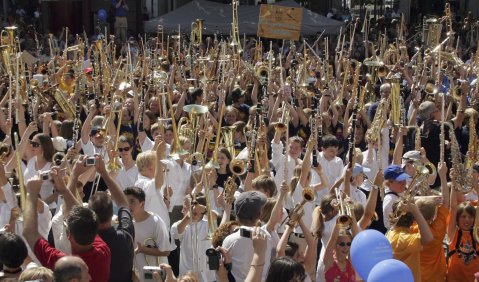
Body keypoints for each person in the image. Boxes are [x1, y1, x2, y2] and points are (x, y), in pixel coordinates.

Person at [22, 173, 111, 282]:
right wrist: (64, 189)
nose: (90, 278)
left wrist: (31, 194)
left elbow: (29, 233)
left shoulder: (62, 264)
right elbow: (82, 217)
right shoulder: (103, 251)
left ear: (69, 235)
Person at [88, 155, 135, 282]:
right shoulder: (124, 236)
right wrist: (104, 173)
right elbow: (123, 204)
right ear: (111, 213)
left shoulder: (85, 242)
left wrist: (74, 175)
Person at [123, 186, 172, 278]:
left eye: (132, 201)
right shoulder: (125, 223)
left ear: (142, 203)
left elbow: (166, 251)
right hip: (137, 276)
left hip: (156, 275)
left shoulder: (156, 221)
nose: (128, 205)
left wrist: (143, 249)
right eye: (126, 201)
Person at [386, 199, 434, 282]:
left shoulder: (391, 232)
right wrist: (416, 211)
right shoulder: (402, 238)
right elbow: (428, 238)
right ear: (413, 218)